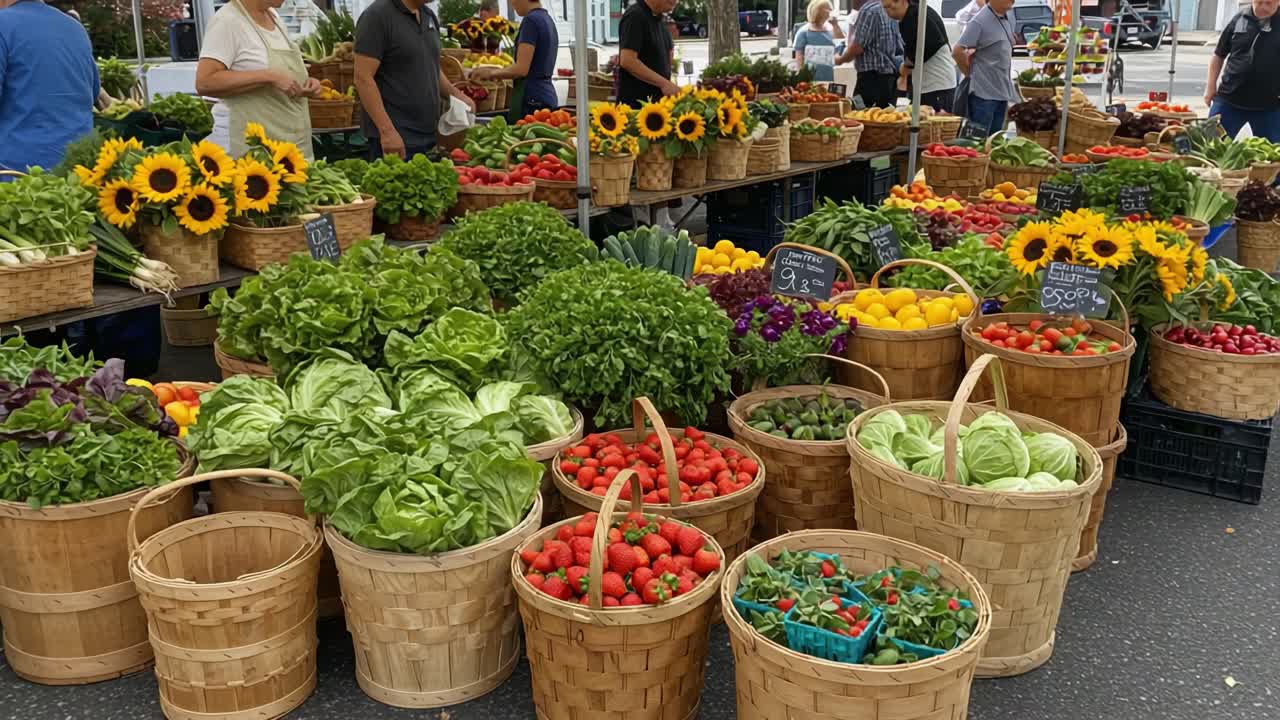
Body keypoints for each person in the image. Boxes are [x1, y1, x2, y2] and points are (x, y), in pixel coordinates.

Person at [198, 0, 319, 159]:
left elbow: (274, 70)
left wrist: (305, 83)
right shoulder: (227, 21)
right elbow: (205, 82)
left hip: (290, 144)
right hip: (249, 150)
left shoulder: (273, 16)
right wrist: (268, 76)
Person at [355, 0, 475, 159]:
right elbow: (363, 77)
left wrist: (456, 95)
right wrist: (387, 131)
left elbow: (432, 67)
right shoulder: (377, 16)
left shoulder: (428, 16)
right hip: (396, 137)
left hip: (429, 134)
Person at [0, 0, 98, 173]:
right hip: (81, 166)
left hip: (19, 173)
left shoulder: (3, 25)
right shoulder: (75, 28)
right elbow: (93, 91)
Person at [1205, 0, 1280, 142]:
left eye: (1269, 3)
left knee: (1272, 156)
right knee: (1211, 144)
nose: (1263, 7)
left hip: (1269, 106)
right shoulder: (1239, 19)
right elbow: (1218, 55)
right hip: (1229, 99)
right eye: (1259, 2)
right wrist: (1210, 87)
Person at [471, 0, 558, 121]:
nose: (512, 3)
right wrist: (494, 69)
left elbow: (521, 69)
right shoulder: (546, 19)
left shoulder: (531, 21)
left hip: (531, 98)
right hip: (545, 94)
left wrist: (491, 73)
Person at [953, 0, 1018, 136]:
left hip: (1002, 91)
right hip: (983, 95)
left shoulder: (1009, 16)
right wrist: (970, 74)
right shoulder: (979, 21)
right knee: (977, 142)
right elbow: (957, 51)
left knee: (995, 141)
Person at [884, 0, 956, 112]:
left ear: (903, 1)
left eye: (890, 7)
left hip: (935, 85)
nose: (888, 12)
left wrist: (905, 67)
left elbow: (922, 52)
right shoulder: (916, 13)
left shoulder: (914, 17)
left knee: (930, 125)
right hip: (934, 83)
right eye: (885, 8)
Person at [837, 0, 903, 107]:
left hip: (869, 79)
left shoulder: (869, 10)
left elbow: (857, 47)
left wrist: (839, 59)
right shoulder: (890, 7)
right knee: (885, 117)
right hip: (890, 78)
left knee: (858, 114)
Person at [617, 0, 677, 105]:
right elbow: (627, 60)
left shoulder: (659, 20)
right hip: (635, 108)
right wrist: (664, 84)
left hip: (656, 107)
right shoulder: (635, 16)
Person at [794, 0, 844, 83]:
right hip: (812, 78)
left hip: (833, 77)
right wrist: (801, 79)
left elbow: (841, 48)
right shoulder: (804, 32)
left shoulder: (833, 29)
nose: (831, 12)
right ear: (818, 11)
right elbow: (799, 58)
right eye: (828, 9)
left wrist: (836, 25)